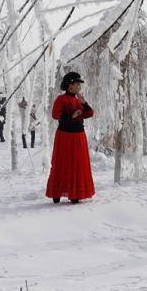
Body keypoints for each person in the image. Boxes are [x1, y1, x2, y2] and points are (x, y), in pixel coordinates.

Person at [46, 72, 95, 204]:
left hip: (78, 136)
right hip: (65, 136)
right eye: (77, 84)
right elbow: (55, 115)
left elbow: (89, 113)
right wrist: (71, 116)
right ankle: (57, 192)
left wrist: (84, 104)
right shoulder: (61, 99)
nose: (79, 87)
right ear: (70, 85)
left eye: (80, 84)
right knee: (63, 163)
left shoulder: (79, 99)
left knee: (77, 164)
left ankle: (75, 194)